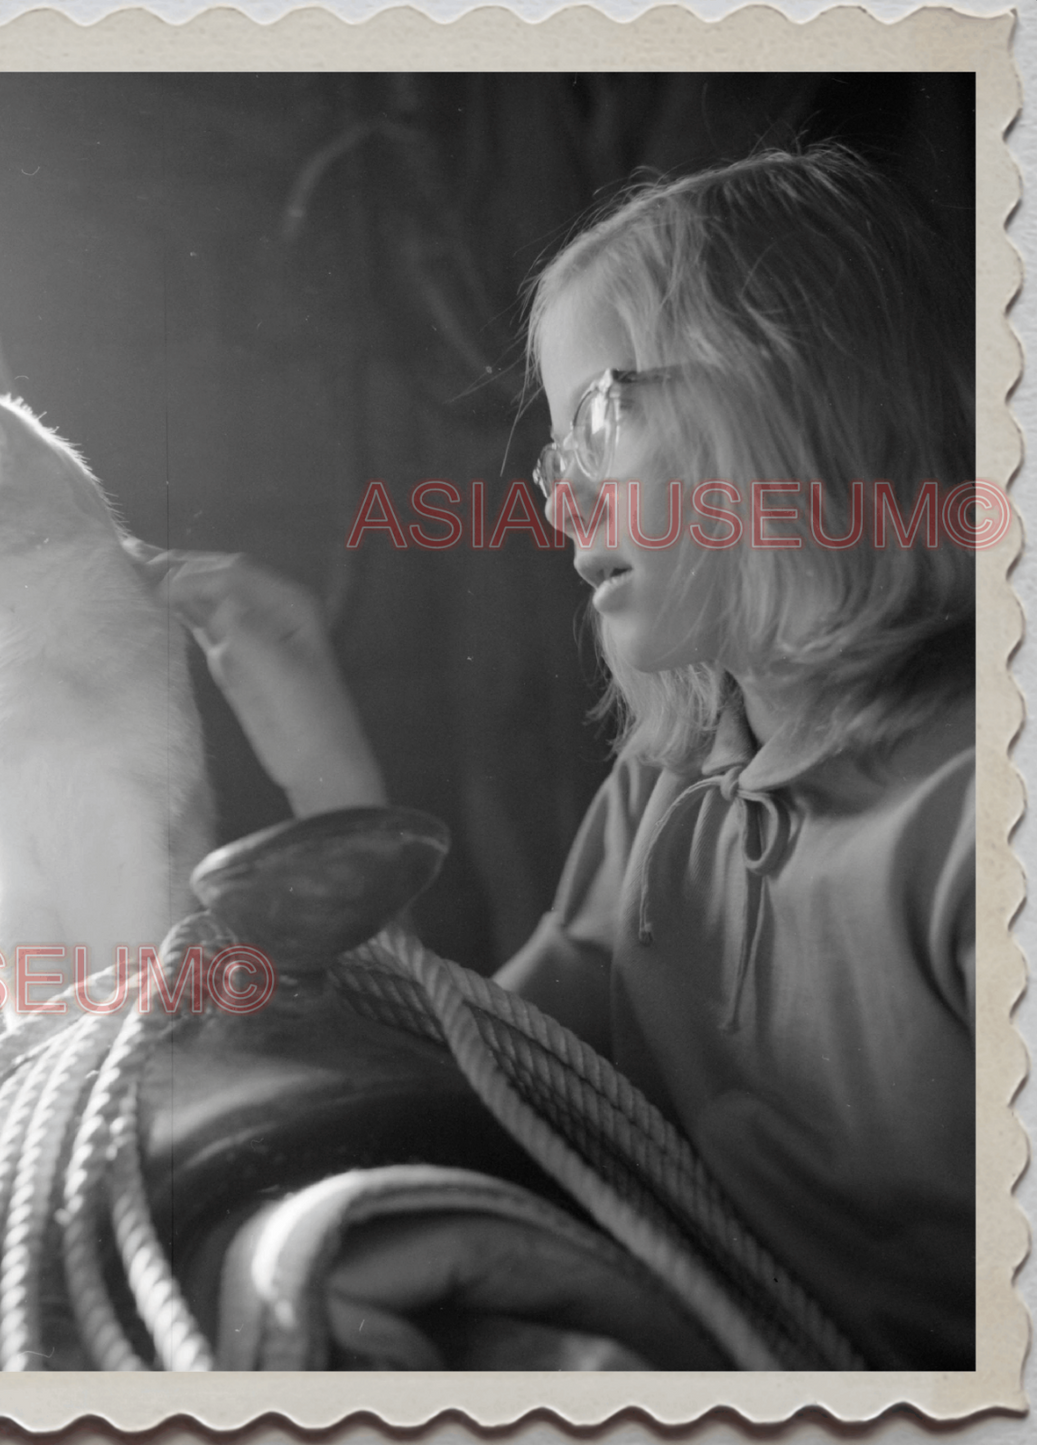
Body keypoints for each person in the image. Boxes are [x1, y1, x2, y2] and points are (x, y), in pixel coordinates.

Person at [148, 148, 977, 1371]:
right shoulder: (666, 794)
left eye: (602, 416)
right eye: (553, 454)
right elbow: (467, 1071)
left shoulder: (973, 814)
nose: (560, 502)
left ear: (796, 395)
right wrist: (311, 735)